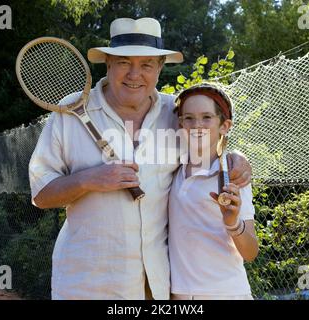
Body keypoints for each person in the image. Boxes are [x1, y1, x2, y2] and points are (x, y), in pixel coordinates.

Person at [29, 17, 252, 300]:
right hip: (87, 286)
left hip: (155, 286)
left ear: (159, 69)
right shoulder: (69, 113)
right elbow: (41, 195)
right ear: (108, 63)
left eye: (146, 64)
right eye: (124, 62)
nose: (135, 75)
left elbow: (210, 145)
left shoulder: (175, 112)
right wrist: (88, 179)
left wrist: (236, 156)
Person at [168, 83, 258, 300]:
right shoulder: (173, 170)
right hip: (180, 293)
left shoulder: (232, 177)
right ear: (180, 124)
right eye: (188, 118)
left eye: (207, 117)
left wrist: (233, 224)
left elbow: (250, 252)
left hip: (225, 292)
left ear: (224, 126)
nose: (197, 125)